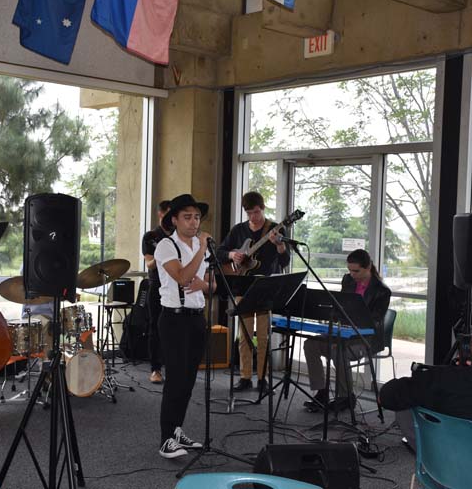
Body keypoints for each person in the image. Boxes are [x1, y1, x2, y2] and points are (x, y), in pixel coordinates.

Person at [380, 302, 472, 457]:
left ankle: (436, 465)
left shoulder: (448, 379)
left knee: (406, 405)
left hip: (459, 475)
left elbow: (387, 395)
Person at [154, 194, 212, 459]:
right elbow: (182, 277)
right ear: (175, 220)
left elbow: (210, 283)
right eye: (187, 217)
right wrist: (201, 247)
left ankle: (177, 431)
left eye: (197, 217)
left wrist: (207, 286)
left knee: (188, 380)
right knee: (175, 379)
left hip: (196, 318)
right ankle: (166, 439)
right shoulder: (166, 246)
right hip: (174, 319)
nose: (193, 222)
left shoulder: (202, 248)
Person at [217, 191, 289, 393]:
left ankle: (263, 378)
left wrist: (280, 245)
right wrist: (233, 254)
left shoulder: (275, 230)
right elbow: (220, 252)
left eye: (256, 212)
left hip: (266, 287)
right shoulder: (239, 230)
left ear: (263, 208)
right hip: (243, 286)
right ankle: (245, 377)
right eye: (249, 213)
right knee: (245, 334)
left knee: (264, 336)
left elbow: (285, 262)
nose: (253, 217)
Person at [303, 249, 391, 412]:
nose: (352, 274)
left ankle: (345, 397)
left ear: (368, 267)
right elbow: (341, 307)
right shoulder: (348, 280)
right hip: (342, 333)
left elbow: (374, 322)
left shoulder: (382, 291)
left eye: (356, 271)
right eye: (349, 270)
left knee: (338, 350)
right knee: (310, 344)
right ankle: (321, 391)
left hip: (365, 339)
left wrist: (352, 325)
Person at [142, 200, 172, 384]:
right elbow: (149, 263)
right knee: (156, 327)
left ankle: (174, 366)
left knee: (175, 328)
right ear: (161, 214)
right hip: (158, 286)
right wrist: (162, 253)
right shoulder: (151, 236)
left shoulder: (179, 235)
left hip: (177, 285)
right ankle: (155, 369)